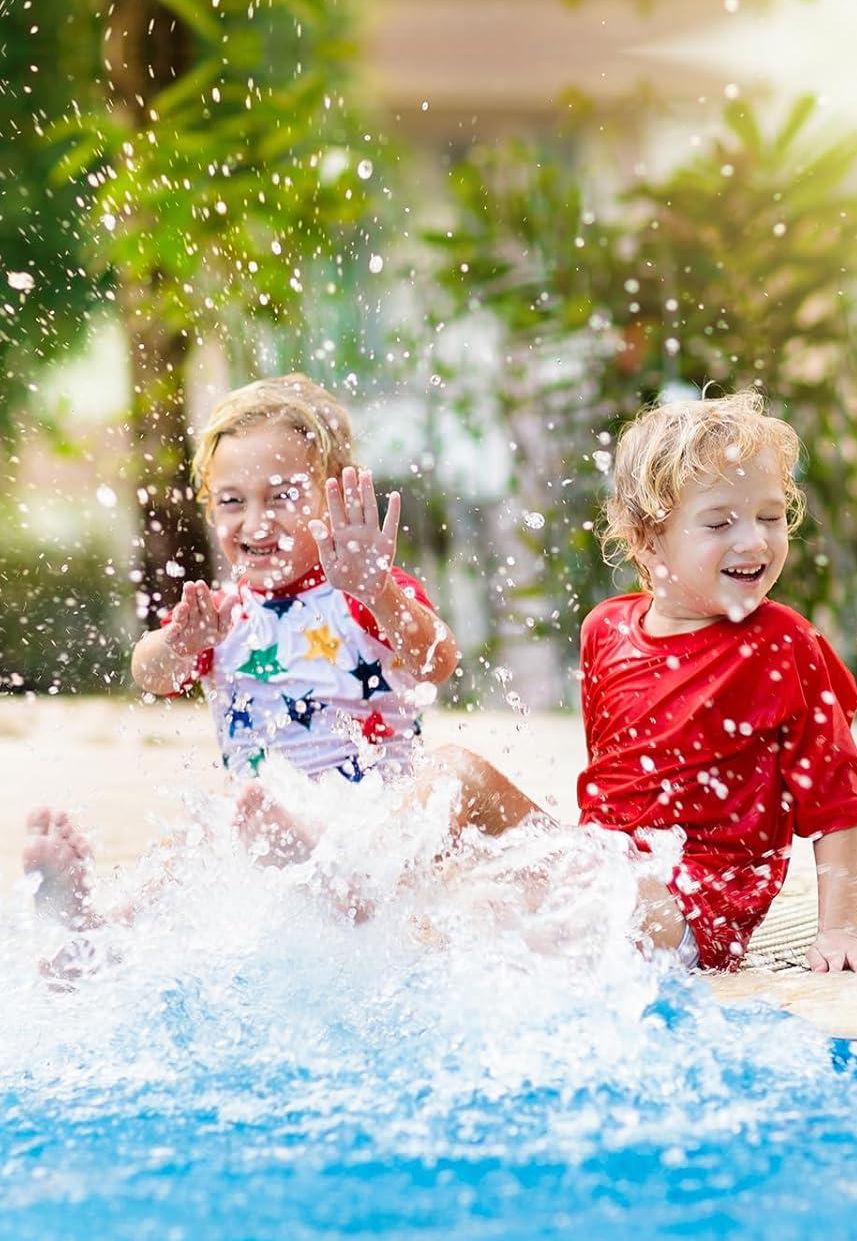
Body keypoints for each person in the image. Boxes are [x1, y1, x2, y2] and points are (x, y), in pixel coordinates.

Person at [24, 374, 540, 932]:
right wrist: (179, 643)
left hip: (373, 826)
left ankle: (335, 876)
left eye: (282, 497)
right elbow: (148, 674)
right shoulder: (221, 615)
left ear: (335, 496)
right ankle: (91, 930)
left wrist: (379, 591)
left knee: (436, 786)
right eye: (231, 502)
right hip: (261, 826)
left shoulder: (362, 588)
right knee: (195, 846)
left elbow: (436, 661)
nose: (255, 522)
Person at [578, 389, 857, 974]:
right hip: (606, 876)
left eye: (770, 516)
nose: (755, 541)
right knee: (459, 792)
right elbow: (613, 791)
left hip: (692, 911)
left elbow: (837, 802)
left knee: (514, 885)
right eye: (719, 522)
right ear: (648, 538)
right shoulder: (606, 630)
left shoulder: (781, 645)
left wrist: (839, 933)